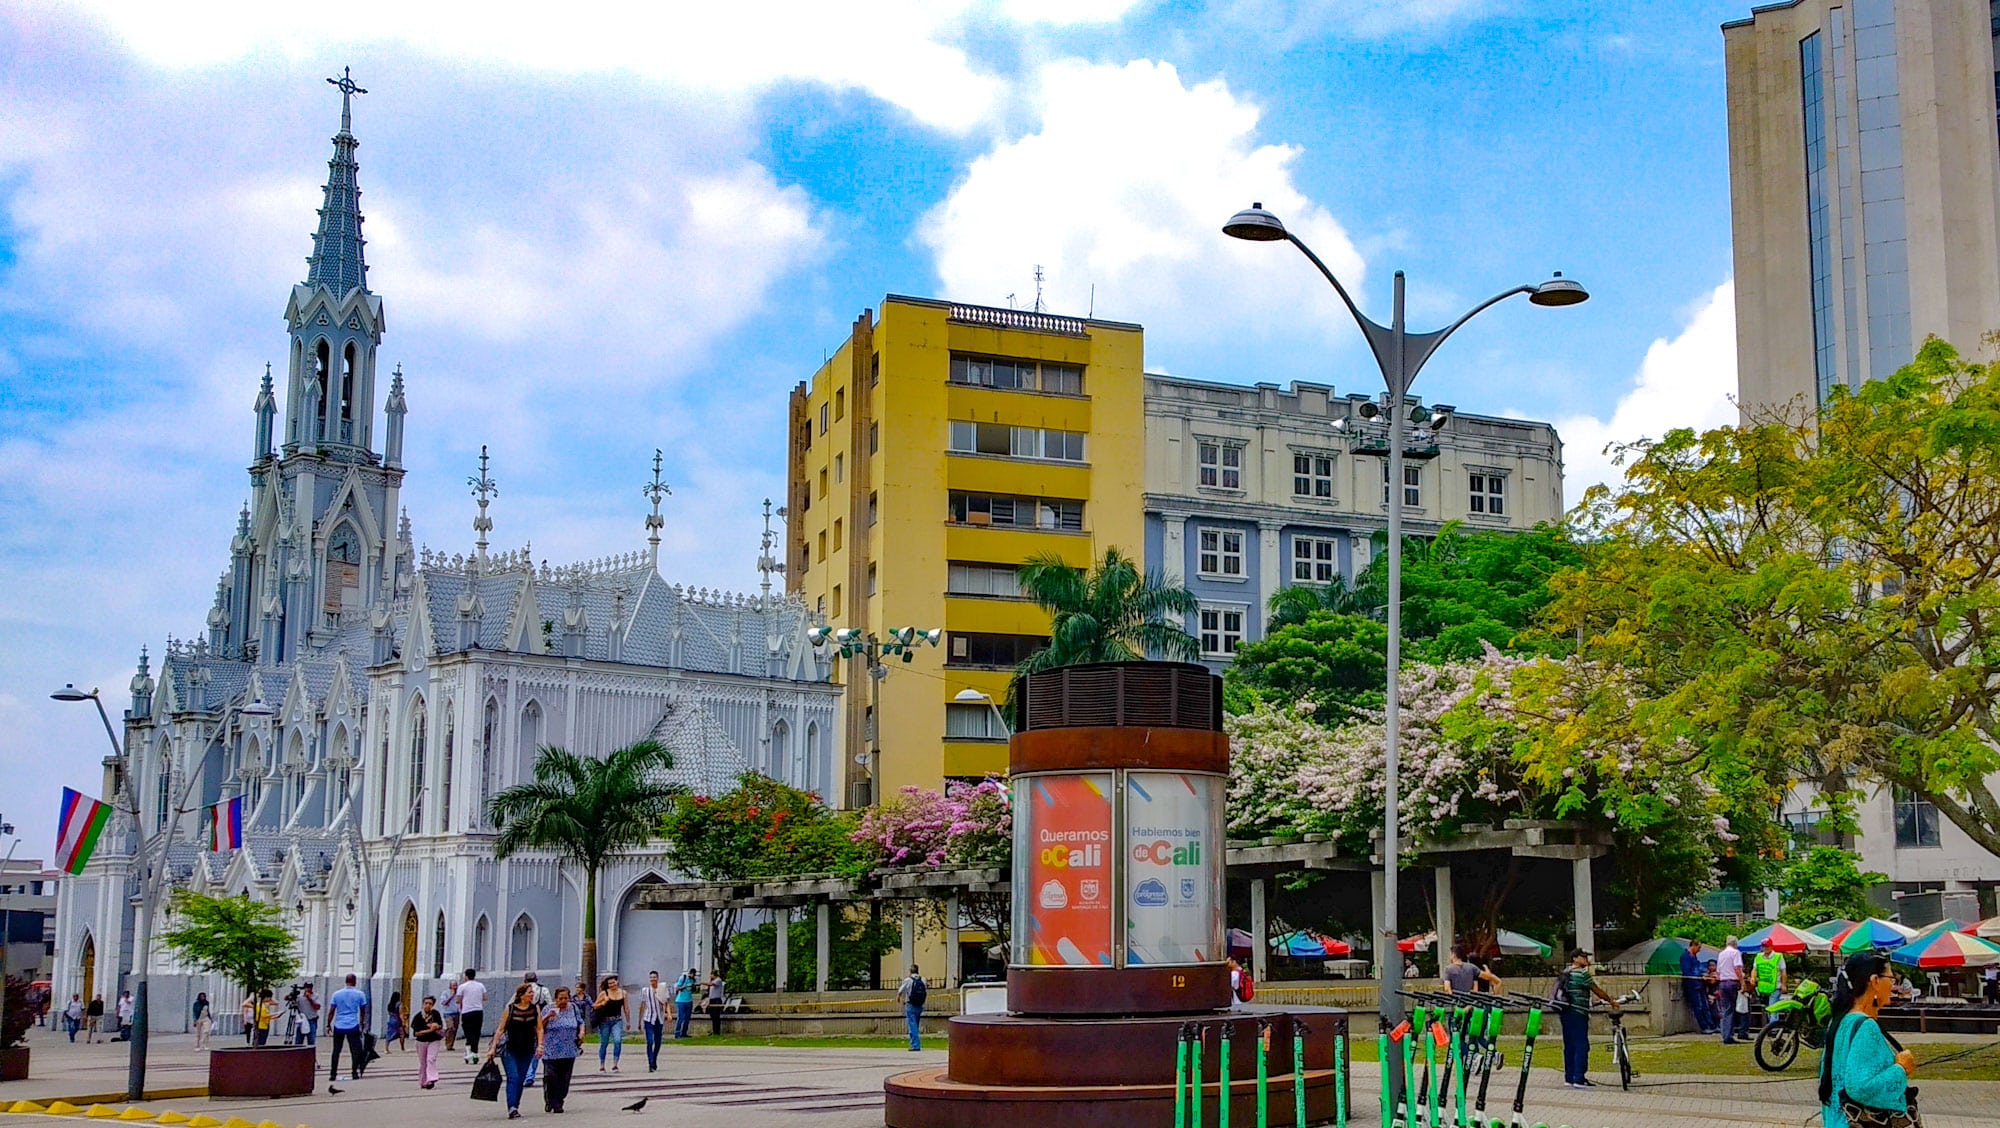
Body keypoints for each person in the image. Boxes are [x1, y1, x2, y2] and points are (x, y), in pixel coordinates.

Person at [1819, 952, 1918, 1128]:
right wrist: (1901, 1068)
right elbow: (1861, 1087)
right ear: (1875, 981)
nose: (1892, 985)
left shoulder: (1839, 1021)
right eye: (1890, 978)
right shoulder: (1865, 1027)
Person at [1554, 949, 1620, 1089]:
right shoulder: (1582, 974)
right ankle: (1579, 1078)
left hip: (1564, 1011)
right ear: (1575, 958)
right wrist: (1611, 1001)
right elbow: (1597, 990)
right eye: (1583, 957)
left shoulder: (1566, 972)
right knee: (1581, 1045)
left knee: (1569, 1045)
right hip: (1578, 1012)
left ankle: (1569, 1077)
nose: (1586, 959)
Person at [489, 984, 542, 1120]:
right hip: (510, 1049)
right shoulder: (510, 1009)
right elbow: (500, 1029)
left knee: (521, 1078)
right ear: (522, 994)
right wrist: (493, 1047)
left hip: (527, 1048)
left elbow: (539, 1029)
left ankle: (515, 1106)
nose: (532, 995)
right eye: (530, 992)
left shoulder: (535, 1009)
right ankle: (512, 1107)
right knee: (513, 1077)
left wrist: (540, 1045)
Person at [539, 986, 583, 1113]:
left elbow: (580, 1022)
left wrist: (581, 1032)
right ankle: (549, 1100)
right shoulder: (548, 1008)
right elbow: (539, 1026)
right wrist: (547, 1017)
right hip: (551, 1050)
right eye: (560, 998)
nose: (563, 1001)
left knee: (564, 1079)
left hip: (569, 1049)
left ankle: (559, 1102)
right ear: (555, 998)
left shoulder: (573, 1008)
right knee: (551, 1076)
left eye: (566, 998)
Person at [328, 973, 370, 1083]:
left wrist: (328, 1024)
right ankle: (354, 1072)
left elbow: (332, 1011)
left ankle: (333, 1073)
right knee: (355, 1050)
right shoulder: (360, 994)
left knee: (336, 1050)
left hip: (339, 1025)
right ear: (355, 981)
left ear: (345, 981)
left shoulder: (336, 994)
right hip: (352, 1024)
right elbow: (363, 1011)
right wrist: (362, 1023)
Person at [521, 974, 550, 1087]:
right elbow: (549, 1004)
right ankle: (530, 1075)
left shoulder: (522, 990)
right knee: (537, 1047)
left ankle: (526, 1074)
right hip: (540, 1021)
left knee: (525, 1048)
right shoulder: (543, 989)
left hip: (524, 1020)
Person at [1679, 940, 1714, 1034]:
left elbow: (1698, 968)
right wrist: (1699, 976)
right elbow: (1687, 972)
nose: (1699, 950)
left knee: (1705, 1005)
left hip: (1700, 983)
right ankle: (1704, 1027)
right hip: (1692, 984)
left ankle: (1711, 1025)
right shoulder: (1685, 957)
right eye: (1698, 948)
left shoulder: (1694, 957)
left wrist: (1704, 974)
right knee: (1698, 1006)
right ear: (1693, 946)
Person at [594, 976, 628, 1071]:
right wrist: (603, 1003)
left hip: (617, 1020)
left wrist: (628, 1021)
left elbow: (626, 1008)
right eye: (610, 984)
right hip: (605, 1021)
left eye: (613, 982)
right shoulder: (604, 993)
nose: (612, 985)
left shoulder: (623, 993)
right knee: (604, 1042)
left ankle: (615, 1064)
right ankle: (602, 1064)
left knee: (617, 1041)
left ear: (617, 982)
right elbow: (594, 1006)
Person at [411, 994, 445, 1090]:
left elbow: (440, 1025)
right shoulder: (418, 1017)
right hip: (421, 1042)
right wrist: (430, 1030)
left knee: (431, 1059)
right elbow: (417, 1033)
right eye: (426, 1003)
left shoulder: (435, 1014)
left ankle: (431, 1079)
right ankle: (423, 1081)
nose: (428, 1005)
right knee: (423, 1063)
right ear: (423, 1004)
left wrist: (436, 1026)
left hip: (434, 1040)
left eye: (430, 1003)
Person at [1716, 936, 1745, 1045]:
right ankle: (1728, 1035)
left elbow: (1718, 971)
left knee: (1725, 1009)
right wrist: (1742, 982)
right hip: (1732, 982)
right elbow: (1737, 968)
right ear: (1735, 944)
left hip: (1723, 982)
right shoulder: (1735, 953)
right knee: (1731, 1009)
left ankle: (1725, 1033)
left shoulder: (1721, 954)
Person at [638, 971, 667, 1072]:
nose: (653, 979)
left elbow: (666, 1002)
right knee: (650, 1041)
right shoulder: (645, 991)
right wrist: (639, 1020)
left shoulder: (662, 989)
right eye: (651, 978)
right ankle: (650, 1063)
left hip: (659, 1018)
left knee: (658, 1041)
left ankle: (654, 1059)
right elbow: (642, 1005)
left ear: (657, 978)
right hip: (648, 1018)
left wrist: (669, 1014)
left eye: (654, 977)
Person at [458, 969, 489, 1062]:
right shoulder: (480, 985)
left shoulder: (462, 987)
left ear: (466, 976)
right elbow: (485, 998)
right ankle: (475, 1051)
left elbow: (458, 1000)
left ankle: (469, 1050)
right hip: (478, 1011)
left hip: (466, 1011)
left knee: (468, 1031)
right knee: (476, 1031)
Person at [896, 965, 926, 1052]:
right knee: (915, 1024)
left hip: (910, 1004)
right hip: (919, 1005)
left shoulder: (908, 980)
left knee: (912, 1025)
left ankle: (915, 1045)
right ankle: (914, 1043)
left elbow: (901, 990)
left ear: (910, 971)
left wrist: (898, 997)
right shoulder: (923, 979)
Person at [671, 969, 695, 1040]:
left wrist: (693, 987)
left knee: (687, 1018)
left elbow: (693, 990)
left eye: (694, 974)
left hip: (689, 1000)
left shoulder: (693, 980)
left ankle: (684, 1033)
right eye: (692, 974)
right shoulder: (683, 978)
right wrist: (684, 986)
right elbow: (678, 988)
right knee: (681, 1017)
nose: (692, 975)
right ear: (689, 973)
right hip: (681, 1000)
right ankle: (677, 1033)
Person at [442, 977, 462, 1053]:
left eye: (456, 985)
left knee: (455, 1029)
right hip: (448, 1013)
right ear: (450, 986)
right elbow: (444, 1003)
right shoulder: (445, 993)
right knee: (450, 1027)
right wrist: (452, 996)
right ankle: (447, 1043)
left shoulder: (459, 993)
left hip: (456, 1013)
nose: (455, 987)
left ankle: (451, 1045)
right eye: (453, 985)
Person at [705, 972, 726, 1037]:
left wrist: (703, 983)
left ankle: (717, 1031)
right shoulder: (713, 980)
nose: (710, 976)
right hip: (712, 999)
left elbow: (712, 984)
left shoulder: (718, 980)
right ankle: (714, 1030)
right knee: (712, 1016)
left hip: (716, 1000)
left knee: (716, 1016)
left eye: (711, 975)